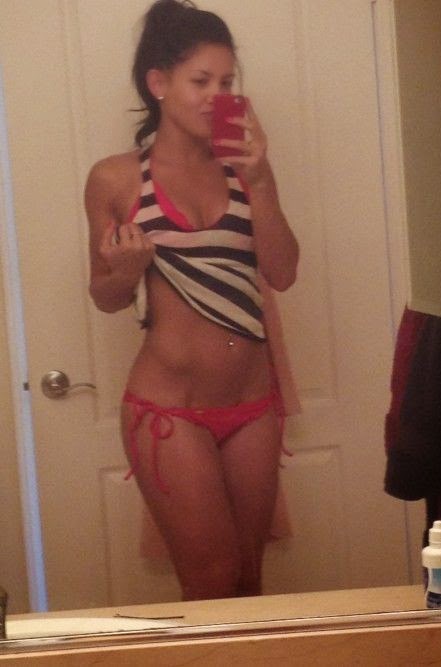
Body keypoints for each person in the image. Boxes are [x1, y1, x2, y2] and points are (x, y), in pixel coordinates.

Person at [85, 0, 299, 601]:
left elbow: (282, 272)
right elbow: (104, 295)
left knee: (249, 580)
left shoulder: (246, 170)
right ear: (159, 84)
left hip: (253, 405)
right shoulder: (115, 179)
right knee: (211, 581)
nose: (216, 96)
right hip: (169, 410)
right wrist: (126, 271)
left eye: (226, 83)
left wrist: (260, 181)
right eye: (200, 81)